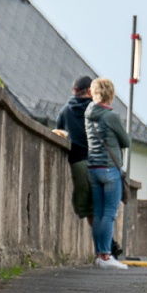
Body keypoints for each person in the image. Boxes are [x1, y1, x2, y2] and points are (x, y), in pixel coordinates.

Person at [84, 78, 130, 269]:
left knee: (99, 213)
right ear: (110, 94)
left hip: (93, 169)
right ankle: (106, 257)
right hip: (110, 169)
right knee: (109, 214)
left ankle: (98, 255)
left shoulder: (88, 114)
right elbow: (125, 141)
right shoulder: (111, 117)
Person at [53, 76, 94, 222]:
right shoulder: (96, 110)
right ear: (89, 90)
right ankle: (108, 243)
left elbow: (59, 133)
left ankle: (105, 243)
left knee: (89, 210)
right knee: (104, 208)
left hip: (77, 164)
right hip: (98, 164)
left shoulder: (64, 111)